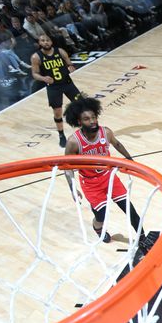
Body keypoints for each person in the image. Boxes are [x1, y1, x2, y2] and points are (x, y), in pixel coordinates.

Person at [63, 95, 151, 252]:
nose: (92, 121)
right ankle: (97, 228)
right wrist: (72, 188)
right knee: (101, 216)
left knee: (130, 209)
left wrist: (131, 161)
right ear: (79, 122)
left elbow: (117, 144)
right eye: (87, 119)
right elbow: (67, 166)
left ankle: (142, 238)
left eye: (94, 117)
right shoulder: (73, 142)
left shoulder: (106, 132)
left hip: (109, 178)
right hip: (91, 184)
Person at [31, 34, 81, 148]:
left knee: (81, 105)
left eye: (47, 40)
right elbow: (34, 74)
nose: (46, 42)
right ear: (39, 43)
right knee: (57, 112)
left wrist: (71, 67)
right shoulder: (36, 57)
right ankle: (61, 135)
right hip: (53, 87)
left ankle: (85, 128)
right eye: (43, 40)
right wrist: (43, 78)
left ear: (51, 41)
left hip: (67, 83)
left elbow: (69, 63)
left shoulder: (60, 51)